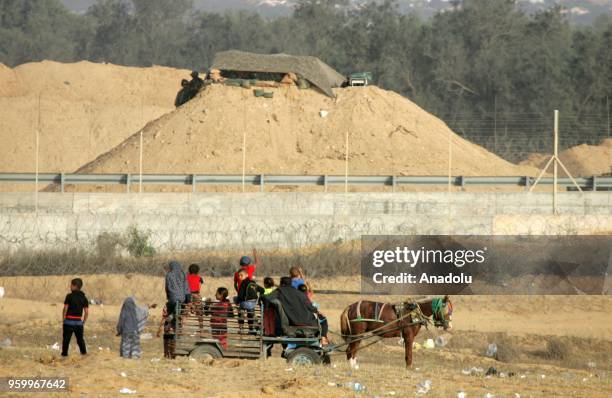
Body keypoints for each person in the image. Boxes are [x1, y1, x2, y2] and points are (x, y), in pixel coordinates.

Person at [61, 278, 89, 357]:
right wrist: (83, 321)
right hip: (78, 322)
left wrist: (64, 318)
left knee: (66, 340)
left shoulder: (69, 296)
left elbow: (65, 308)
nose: (70, 287)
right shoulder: (84, 298)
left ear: (75, 286)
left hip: (69, 321)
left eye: (71, 285)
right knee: (80, 340)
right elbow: (86, 312)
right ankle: (84, 354)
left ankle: (64, 355)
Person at [235, 269, 264, 333]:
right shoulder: (253, 282)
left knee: (240, 312)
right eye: (239, 276)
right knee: (250, 315)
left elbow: (240, 294)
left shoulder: (243, 283)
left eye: (241, 275)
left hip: (245, 303)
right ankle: (251, 329)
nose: (239, 277)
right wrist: (260, 297)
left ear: (246, 275)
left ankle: (241, 329)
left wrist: (237, 302)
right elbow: (262, 290)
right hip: (253, 303)